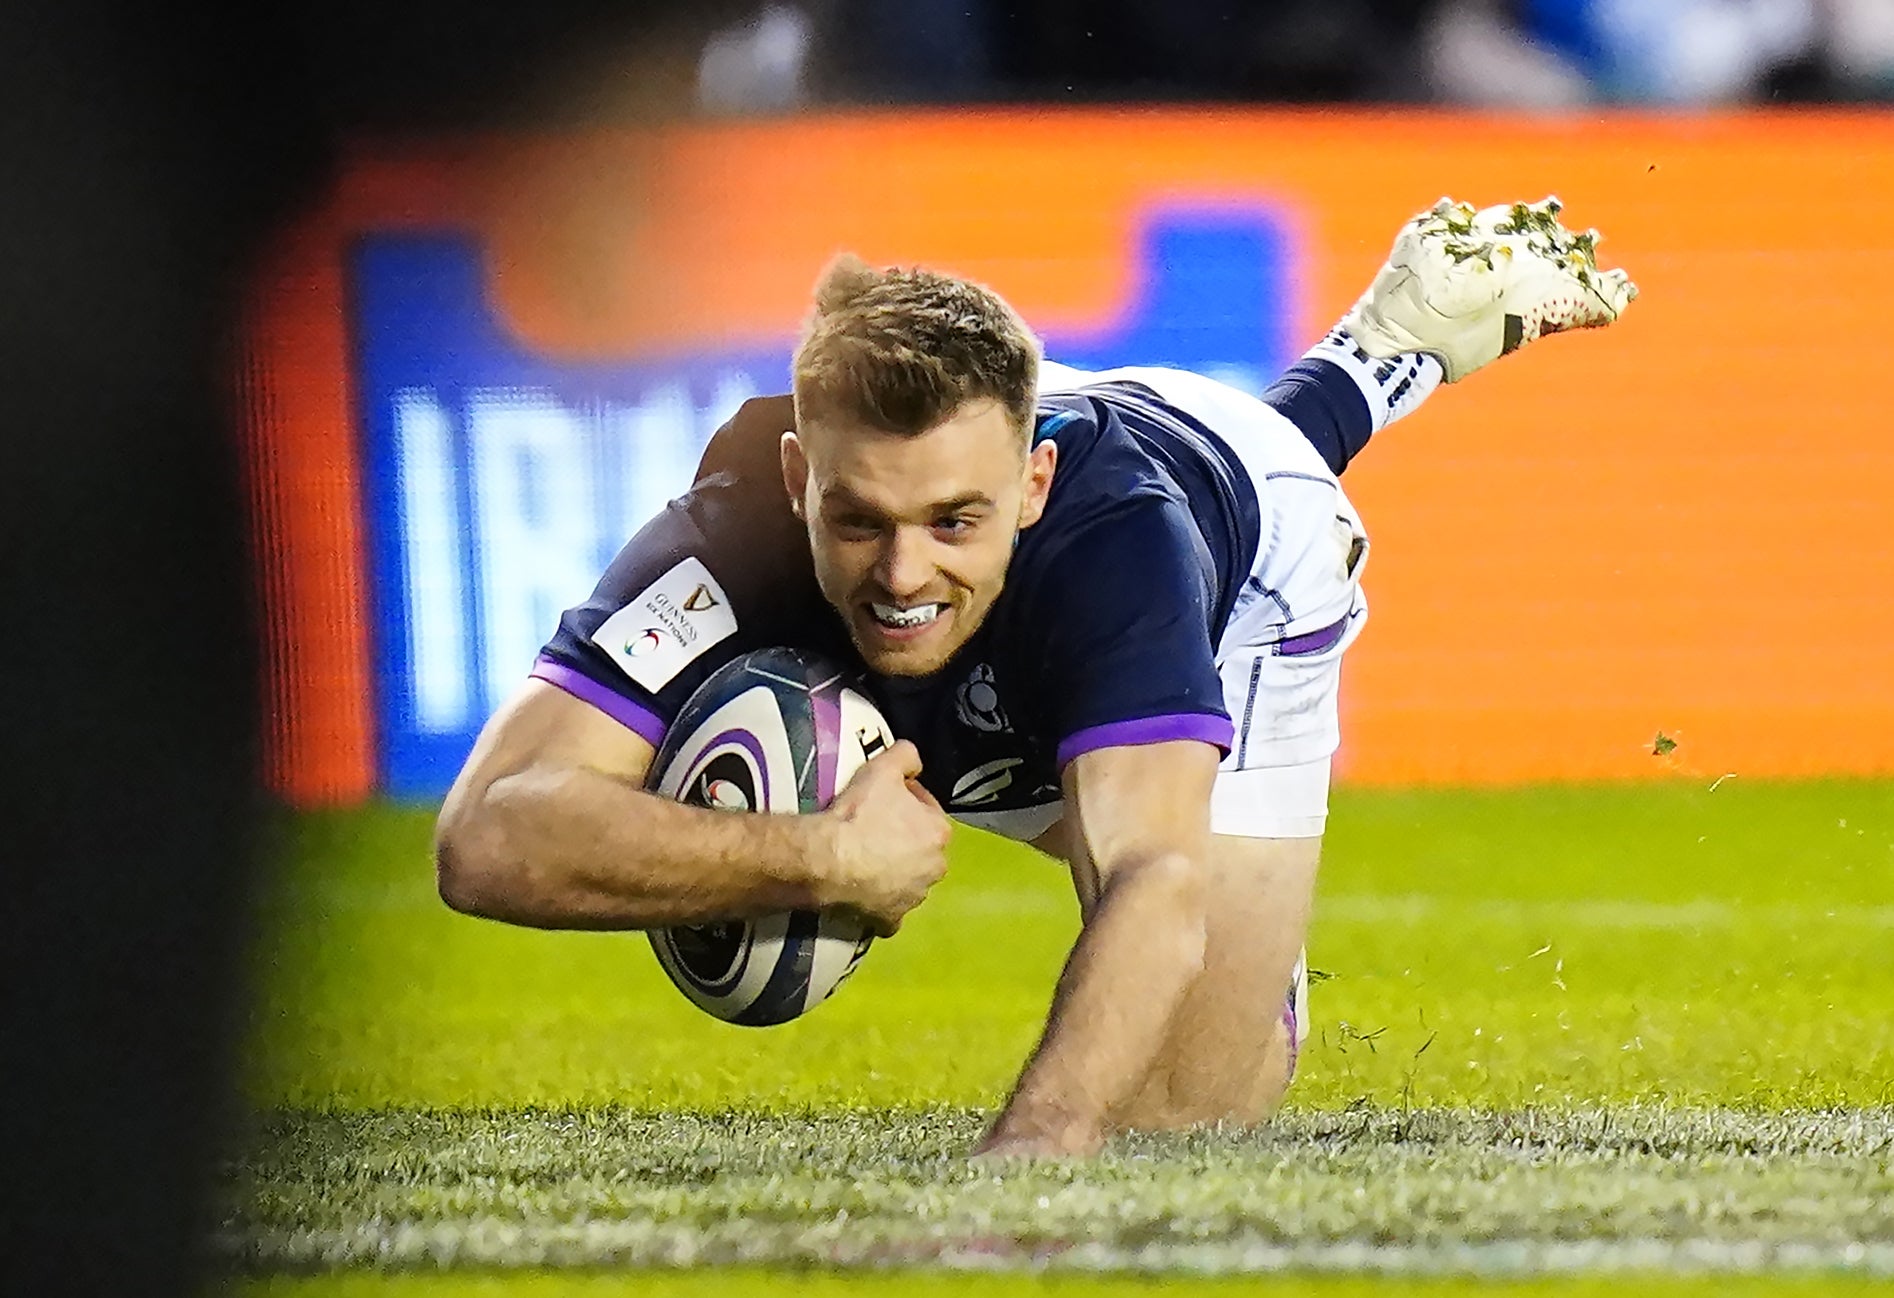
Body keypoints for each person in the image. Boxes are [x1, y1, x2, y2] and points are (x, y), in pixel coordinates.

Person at [433, 197, 1636, 1157]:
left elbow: (1157, 875)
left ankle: (1377, 354)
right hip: (1039, 562)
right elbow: (484, 838)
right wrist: (820, 858)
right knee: (975, 680)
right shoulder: (731, 526)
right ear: (800, 477)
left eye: (953, 519)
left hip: (1248, 561)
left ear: (1029, 487)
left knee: (1183, 1111)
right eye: (858, 519)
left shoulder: (1115, 550)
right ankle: (1347, 369)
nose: (901, 571)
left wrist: (1032, 1148)